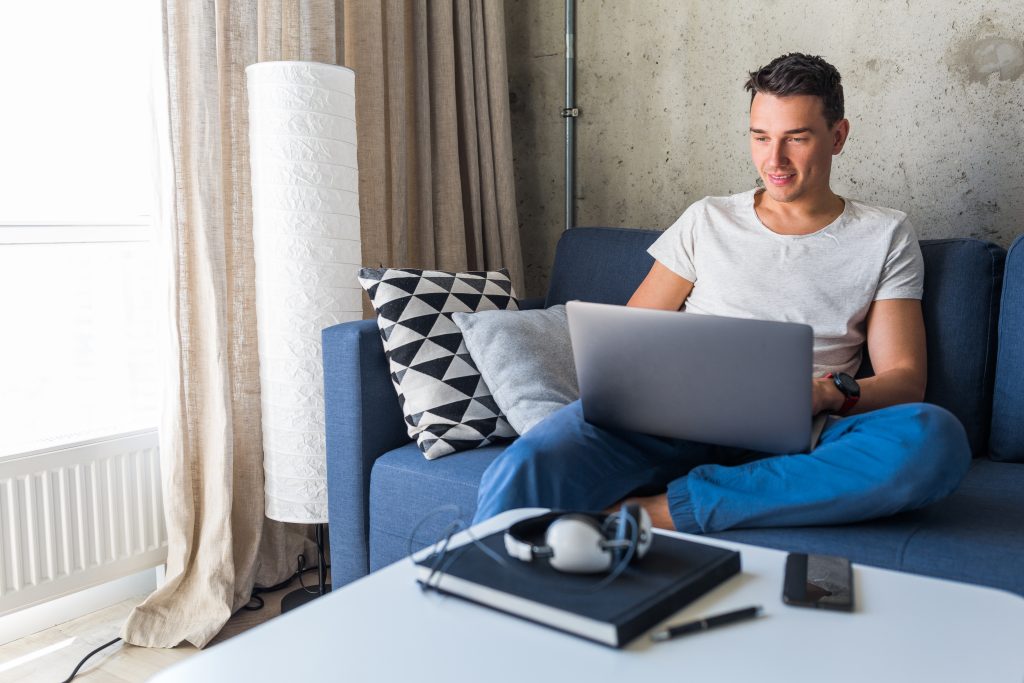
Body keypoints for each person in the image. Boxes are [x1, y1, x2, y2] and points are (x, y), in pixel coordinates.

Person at [473, 53, 971, 533]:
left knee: (933, 440)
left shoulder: (885, 234)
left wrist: (823, 393)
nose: (773, 160)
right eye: (760, 137)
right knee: (531, 460)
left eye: (796, 139)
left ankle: (660, 511)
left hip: (805, 434)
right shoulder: (707, 218)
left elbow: (906, 381)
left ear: (837, 136)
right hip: (672, 422)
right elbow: (628, 342)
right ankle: (472, 585)